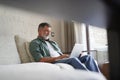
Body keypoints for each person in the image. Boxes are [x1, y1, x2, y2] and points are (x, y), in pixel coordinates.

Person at [29, 22, 100, 73]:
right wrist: (58, 58)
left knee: (88, 57)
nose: (48, 33)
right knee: (73, 59)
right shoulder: (34, 43)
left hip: (62, 59)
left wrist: (73, 54)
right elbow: (40, 59)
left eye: (49, 31)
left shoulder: (53, 43)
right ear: (39, 31)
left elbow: (60, 54)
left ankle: (98, 77)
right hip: (53, 61)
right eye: (46, 31)